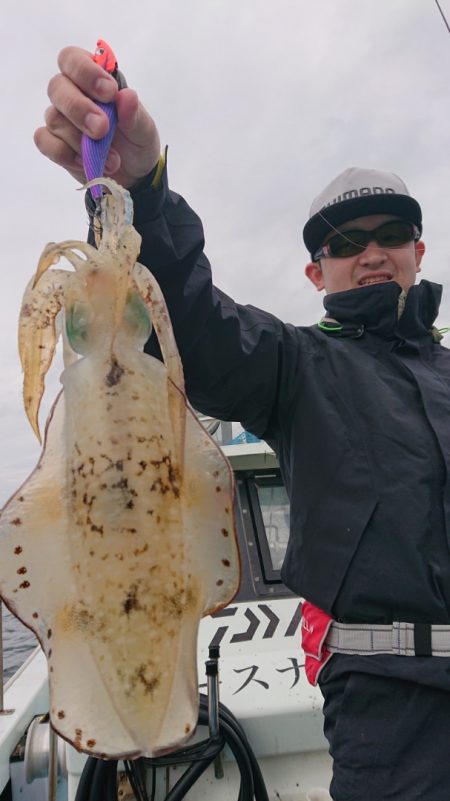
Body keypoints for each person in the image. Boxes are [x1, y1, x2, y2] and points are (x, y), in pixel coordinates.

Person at [35, 47, 450, 801]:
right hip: (392, 717)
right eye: (344, 243)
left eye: (390, 233)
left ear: (418, 250)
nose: (371, 254)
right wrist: (142, 193)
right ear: (314, 271)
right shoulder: (294, 364)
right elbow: (192, 321)